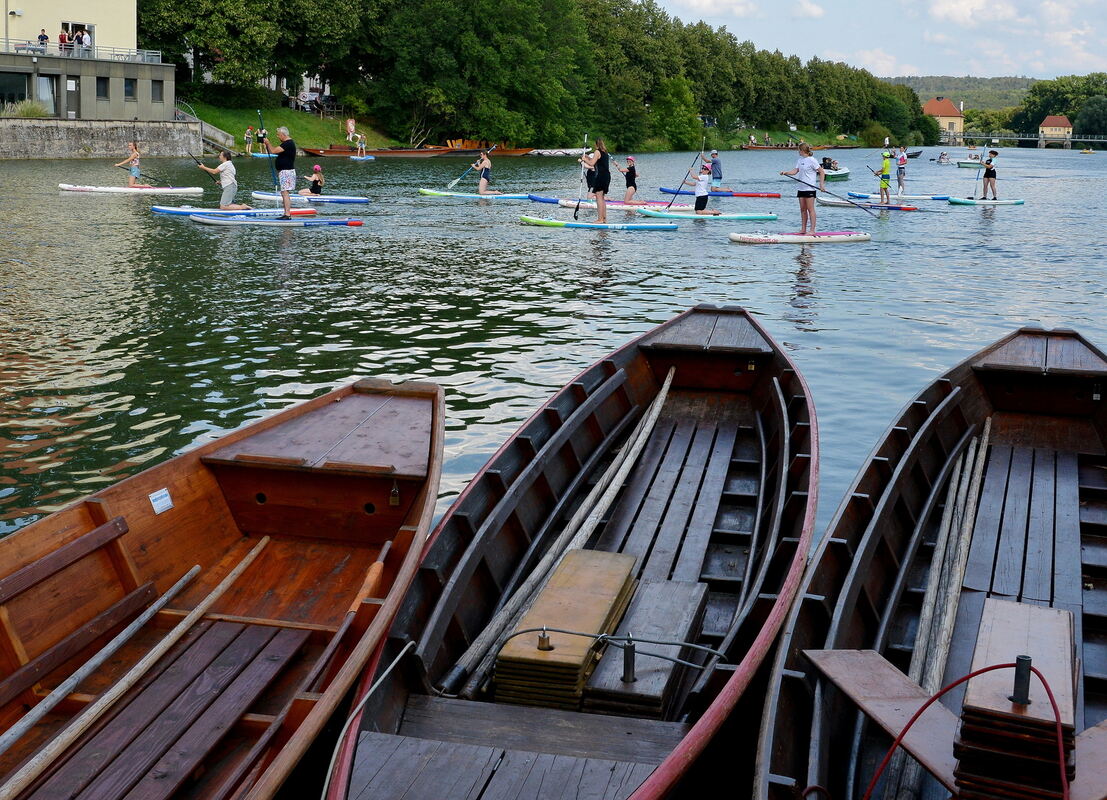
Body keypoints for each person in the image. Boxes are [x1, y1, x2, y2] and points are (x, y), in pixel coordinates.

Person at [780, 142, 825, 235]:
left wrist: (821, 185)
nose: (798, 152)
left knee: (810, 209)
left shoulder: (812, 160)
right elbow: (795, 171)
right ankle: (803, 229)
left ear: (802, 150)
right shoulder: (800, 160)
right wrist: (786, 172)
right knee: (803, 209)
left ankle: (812, 230)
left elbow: (821, 172)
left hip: (810, 188)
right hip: (801, 188)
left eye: (799, 150)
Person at [263, 126, 297, 218]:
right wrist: (267, 144)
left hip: (287, 172)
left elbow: (273, 151)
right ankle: (286, 213)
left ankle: (287, 214)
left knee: (285, 193)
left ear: (283, 134)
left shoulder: (288, 143)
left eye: (278, 135)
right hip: (285, 172)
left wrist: (268, 143)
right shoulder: (287, 143)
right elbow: (273, 151)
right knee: (284, 192)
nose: (278, 137)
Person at [581, 138, 611, 223]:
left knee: (599, 198)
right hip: (606, 176)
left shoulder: (597, 151)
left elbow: (591, 163)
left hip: (601, 176)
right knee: (602, 198)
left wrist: (584, 159)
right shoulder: (605, 152)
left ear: (596, 145)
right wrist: (587, 157)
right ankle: (604, 219)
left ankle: (600, 219)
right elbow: (596, 162)